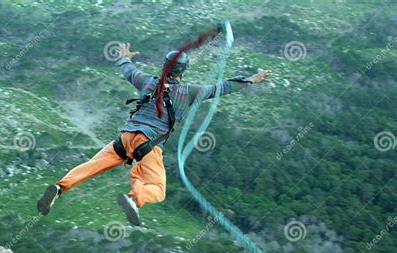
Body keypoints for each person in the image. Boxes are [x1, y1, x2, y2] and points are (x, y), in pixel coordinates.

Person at [37, 42, 272, 226]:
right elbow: (222, 88)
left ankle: (59, 187)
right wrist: (251, 80)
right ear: (183, 71)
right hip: (147, 143)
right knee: (158, 190)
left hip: (124, 137)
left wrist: (124, 56)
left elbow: (128, 70)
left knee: (92, 165)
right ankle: (134, 199)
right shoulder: (189, 92)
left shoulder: (148, 82)